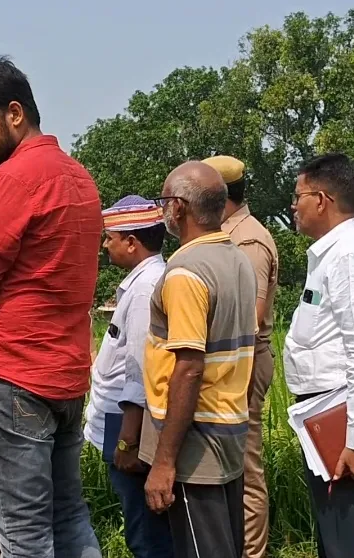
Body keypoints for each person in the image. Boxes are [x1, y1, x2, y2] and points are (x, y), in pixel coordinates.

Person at [0, 55, 103, 557]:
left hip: (13, 372)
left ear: (14, 113)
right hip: (65, 374)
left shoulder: (14, 178)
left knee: (22, 534)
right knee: (68, 515)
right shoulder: (78, 177)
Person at [140, 162, 257, 558]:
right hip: (228, 427)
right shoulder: (236, 258)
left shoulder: (185, 272)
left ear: (178, 207)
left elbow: (189, 368)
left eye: (162, 201)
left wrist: (164, 462)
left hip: (195, 444)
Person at [284, 153, 354, 558]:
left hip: (345, 422)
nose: (293, 206)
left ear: (321, 199)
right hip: (329, 419)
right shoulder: (332, 255)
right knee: (338, 541)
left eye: (298, 196)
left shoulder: (350, 256)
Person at [83, 195, 172, 558]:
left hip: (129, 425)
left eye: (110, 238)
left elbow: (140, 370)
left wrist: (127, 441)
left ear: (132, 242)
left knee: (146, 535)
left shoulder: (145, 288)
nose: (105, 245)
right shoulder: (141, 283)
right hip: (122, 421)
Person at [202, 155, 278, 558]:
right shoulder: (227, 234)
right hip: (229, 362)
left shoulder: (247, 240)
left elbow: (252, 316)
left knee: (246, 468)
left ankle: (252, 552)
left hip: (243, 362)